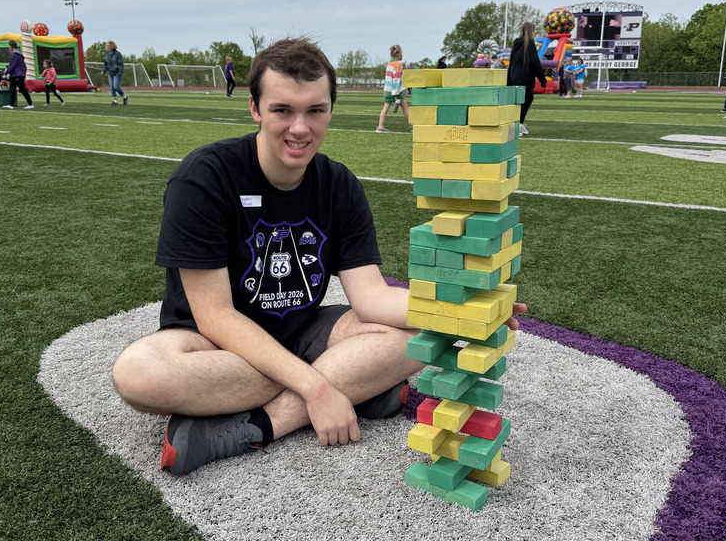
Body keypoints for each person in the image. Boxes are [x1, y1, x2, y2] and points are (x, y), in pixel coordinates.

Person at [113, 37, 475, 478]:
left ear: (329, 110)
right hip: (216, 343)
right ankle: (358, 385)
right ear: (255, 108)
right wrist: (319, 386)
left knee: (425, 330)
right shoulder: (204, 177)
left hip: (303, 329)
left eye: (315, 111)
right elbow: (215, 317)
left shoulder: (340, 184)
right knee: (138, 374)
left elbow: (372, 298)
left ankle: (263, 424)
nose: (300, 128)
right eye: (282, 110)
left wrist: (465, 307)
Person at [506, 23, 546, 135]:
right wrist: (542, 80)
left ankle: (519, 124)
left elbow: (512, 62)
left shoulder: (516, 44)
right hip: (524, 78)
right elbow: (535, 63)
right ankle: (518, 125)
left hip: (514, 77)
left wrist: (509, 79)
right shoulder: (530, 44)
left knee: (520, 101)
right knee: (527, 99)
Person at [376, 44, 409, 132]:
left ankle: (380, 126)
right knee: (405, 107)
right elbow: (396, 79)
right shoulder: (398, 64)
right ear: (399, 54)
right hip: (396, 90)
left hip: (387, 89)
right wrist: (396, 93)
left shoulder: (389, 63)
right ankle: (413, 126)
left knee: (385, 107)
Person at [1, 40, 35, 110]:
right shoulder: (19, 54)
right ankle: (11, 104)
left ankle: (30, 104)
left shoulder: (15, 55)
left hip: (16, 74)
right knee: (13, 89)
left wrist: (6, 73)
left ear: (10, 46)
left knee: (21, 89)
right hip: (19, 74)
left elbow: (12, 65)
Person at [103, 41, 127, 105]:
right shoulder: (107, 54)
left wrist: (120, 72)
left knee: (116, 86)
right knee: (112, 87)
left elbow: (120, 64)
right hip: (110, 73)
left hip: (117, 73)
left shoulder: (118, 54)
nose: (107, 47)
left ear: (112, 46)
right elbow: (106, 64)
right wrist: (104, 70)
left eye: (109, 45)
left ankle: (124, 97)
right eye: (107, 45)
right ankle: (114, 101)